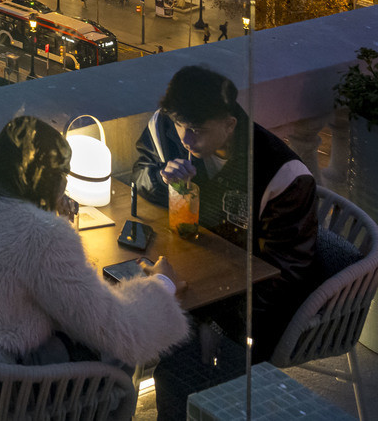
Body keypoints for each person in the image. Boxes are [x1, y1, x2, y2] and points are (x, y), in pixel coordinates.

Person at [0, 116, 188, 368]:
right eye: (63, 174)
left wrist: (42, 202)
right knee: (114, 357)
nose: (66, 183)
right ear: (51, 180)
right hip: (0, 380)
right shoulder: (42, 238)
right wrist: (162, 286)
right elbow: (120, 332)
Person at [134, 65, 318, 368]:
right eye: (181, 125)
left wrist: (219, 324)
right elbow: (141, 173)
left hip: (247, 310)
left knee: (177, 365)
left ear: (230, 125)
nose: (186, 140)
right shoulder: (166, 128)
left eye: (197, 130)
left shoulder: (281, 174)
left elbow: (284, 276)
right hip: (191, 275)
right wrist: (159, 177)